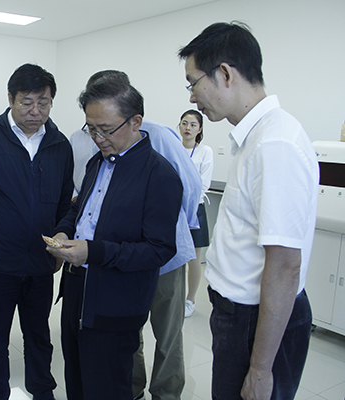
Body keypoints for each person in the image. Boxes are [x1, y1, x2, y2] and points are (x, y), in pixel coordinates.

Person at [179, 22, 319, 400]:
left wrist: (260, 369)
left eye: (194, 82)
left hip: (255, 321)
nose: (192, 97)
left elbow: (285, 265)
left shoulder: (274, 143)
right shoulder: (254, 136)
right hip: (239, 315)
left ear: (225, 73)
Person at [46, 78, 183, 400]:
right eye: (91, 129)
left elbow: (159, 249)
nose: (98, 139)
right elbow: (79, 209)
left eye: (106, 130)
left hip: (116, 301)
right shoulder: (99, 161)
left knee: (107, 386)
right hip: (77, 287)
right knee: (76, 377)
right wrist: (64, 231)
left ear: (136, 121)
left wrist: (93, 252)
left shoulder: (159, 174)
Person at [0, 63, 74, 400]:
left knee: (39, 335)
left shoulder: (59, 145)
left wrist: (60, 240)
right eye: (27, 103)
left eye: (43, 103)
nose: (36, 112)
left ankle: (42, 391)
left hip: (40, 263)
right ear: (10, 99)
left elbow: (65, 201)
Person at [178, 109, 213, 318]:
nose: (188, 128)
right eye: (184, 123)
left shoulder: (205, 151)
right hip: (175, 208)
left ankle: (190, 300)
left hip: (194, 208)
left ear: (199, 129)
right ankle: (173, 297)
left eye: (193, 124)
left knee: (194, 257)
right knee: (173, 255)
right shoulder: (174, 148)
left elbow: (203, 184)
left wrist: (188, 201)